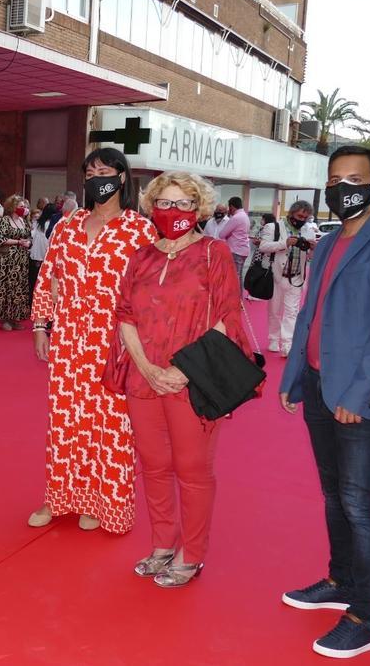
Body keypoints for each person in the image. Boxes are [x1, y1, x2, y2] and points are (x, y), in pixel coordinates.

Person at [278, 146, 370, 659]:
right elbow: (309, 316)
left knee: (361, 504)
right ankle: (340, 582)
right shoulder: (324, 243)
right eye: (335, 179)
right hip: (320, 385)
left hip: (362, 395)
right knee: (333, 494)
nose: (344, 188)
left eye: (356, 179)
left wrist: (357, 394)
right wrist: (294, 375)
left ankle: (365, 617)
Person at [115, 171, 252, 587]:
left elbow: (229, 317)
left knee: (192, 468)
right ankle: (162, 544)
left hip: (192, 380)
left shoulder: (214, 253)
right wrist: (147, 367)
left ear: (199, 209)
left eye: (184, 204)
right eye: (166, 202)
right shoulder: (141, 257)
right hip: (144, 378)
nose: (173, 211)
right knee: (154, 466)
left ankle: (191, 553)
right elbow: (124, 315)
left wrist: (180, 371)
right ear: (153, 206)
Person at [29, 147, 156, 532]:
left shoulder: (140, 230)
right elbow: (49, 277)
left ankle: (102, 502)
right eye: (89, 171)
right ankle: (62, 497)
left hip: (115, 341)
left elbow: (150, 293)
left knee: (110, 424)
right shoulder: (68, 224)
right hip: (69, 338)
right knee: (66, 420)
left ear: (121, 177)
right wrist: (40, 325)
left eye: (103, 169)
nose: (95, 177)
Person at [258, 200, 318, 355]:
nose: (302, 220)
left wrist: (313, 248)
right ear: (291, 213)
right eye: (299, 216)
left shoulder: (308, 231)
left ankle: (287, 345)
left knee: (292, 312)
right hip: (276, 276)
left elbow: (310, 256)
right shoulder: (273, 227)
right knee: (275, 310)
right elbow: (263, 246)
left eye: (306, 217)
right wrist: (284, 243)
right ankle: (273, 339)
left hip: (297, 277)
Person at [0, 196, 32, 330]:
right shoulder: (5, 220)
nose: (24, 209)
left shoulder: (24, 221)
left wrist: (28, 243)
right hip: (7, 261)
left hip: (22, 260)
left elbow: (29, 237)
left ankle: (16, 318)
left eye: (25, 206)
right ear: (13, 207)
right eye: (21, 206)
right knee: (7, 288)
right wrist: (18, 242)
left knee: (19, 289)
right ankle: (5, 319)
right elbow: (0, 239)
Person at [204, 196, 253, 281]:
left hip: (234, 251)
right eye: (217, 210)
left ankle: (235, 294)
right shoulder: (244, 216)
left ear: (231, 207)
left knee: (234, 276)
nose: (218, 212)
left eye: (221, 210)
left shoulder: (234, 218)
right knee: (236, 275)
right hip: (236, 251)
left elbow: (222, 234)